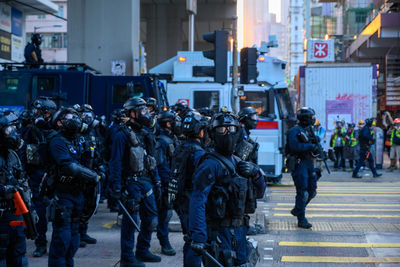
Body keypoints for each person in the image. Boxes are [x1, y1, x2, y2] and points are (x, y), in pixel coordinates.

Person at [188, 112, 266, 267]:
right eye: (222, 129)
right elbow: (198, 200)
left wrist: (256, 173)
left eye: (231, 129)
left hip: (240, 230)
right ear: (213, 134)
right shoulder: (209, 164)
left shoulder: (238, 162)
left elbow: (260, 193)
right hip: (219, 232)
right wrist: (198, 236)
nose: (227, 133)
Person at [108, 97, 160, 267]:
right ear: (132, 113)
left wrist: (157, 180)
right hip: (131, 182)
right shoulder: (121, 134)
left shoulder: (145, 133)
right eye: (142, 110)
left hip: (147, 181)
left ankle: (143, 250)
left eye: (146, 110)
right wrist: (115, 188)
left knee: (151, 219)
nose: (146, 113)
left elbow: (151, 159)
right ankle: (127, 258)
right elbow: (115, 162)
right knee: (131, 221)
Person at [47, 107, 99, 267]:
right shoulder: (56, 140)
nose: (75, 119)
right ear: (59, 122)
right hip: (62, 193)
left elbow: (91, 160)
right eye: (70, 117)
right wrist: (91, 176)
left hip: (78, 193)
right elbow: (68, 166)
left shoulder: (79, 139)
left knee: (74, 239)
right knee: (62, 238)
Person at [171, 111, 207, 266]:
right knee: (195, 242)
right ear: (199, 131)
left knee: (188, 238)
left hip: (180, 199)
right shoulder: (198, 152)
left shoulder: (180, 147)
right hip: (192, 199)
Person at [22, 97, 57, 257]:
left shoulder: (56, 129)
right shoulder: (30, 129)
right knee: (39, 209)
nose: (35, 114)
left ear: (47, 114)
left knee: (59, 211)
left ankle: (57, 244)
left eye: (38, 111)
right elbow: (23, 151)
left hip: (52, 174)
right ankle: (40, 243)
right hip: (36, 174)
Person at [0, 111, 29, 267]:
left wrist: (30, 210)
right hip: (2, 214)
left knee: (19, 257)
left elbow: (22, 181)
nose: (13, 133)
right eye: (8, 130)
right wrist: (4, 189)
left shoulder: (12, 155)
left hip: (15, 214)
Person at [286, 107, 320, 229]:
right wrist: (310, 146)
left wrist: (316, 147)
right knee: (303, 192)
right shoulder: (294, 131)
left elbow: (315, 147)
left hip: (309, 163)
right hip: (299, 163)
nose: (313, 119)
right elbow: (294, 147)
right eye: (311, 117)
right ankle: (301, 218)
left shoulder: (309, 130)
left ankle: (298, 208)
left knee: (312, 191)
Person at [155, 110, 181, 256]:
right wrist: (167, 183)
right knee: (165, 214)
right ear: (168, 124)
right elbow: (161, 165)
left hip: (175, 182)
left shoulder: (174, 138)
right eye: (175, 121)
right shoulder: (162, 141)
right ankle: (164, 242)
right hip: (167, 184)